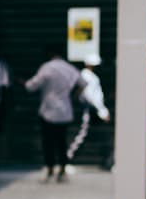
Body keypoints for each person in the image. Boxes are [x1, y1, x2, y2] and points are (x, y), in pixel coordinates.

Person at [24, 46, 85, 183]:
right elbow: (83, 83)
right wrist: (74, 96)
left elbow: (31, 85)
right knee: (62, 141)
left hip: (48, 111)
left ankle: (50, 168)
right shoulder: (69, 68)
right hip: (65, 110)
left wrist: (23, 83)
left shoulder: (47, 67)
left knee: (48, 142)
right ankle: (62, 169)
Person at [66, 53, 111, 163]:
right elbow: (91, 96)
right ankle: (67, 158)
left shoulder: (85, 76)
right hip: (89, 110)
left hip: (89, 109)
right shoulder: (89, 77)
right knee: (81, 134)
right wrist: (102, 111)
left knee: (84, 134)